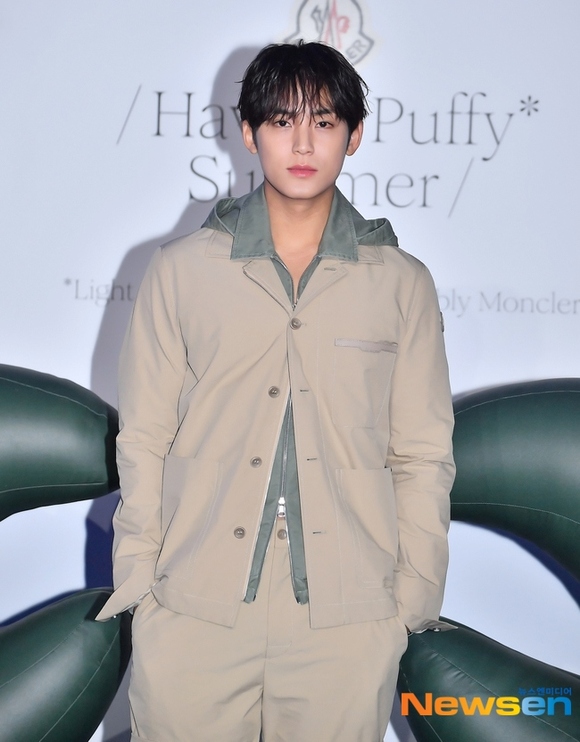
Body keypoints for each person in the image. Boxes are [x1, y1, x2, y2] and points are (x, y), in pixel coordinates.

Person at [97, 40, 455, 742]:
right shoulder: (180, 270)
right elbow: (143, 438)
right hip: (194, 607)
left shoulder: (401, 282)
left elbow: (421, 453)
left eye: (324, 121)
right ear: (248, 131)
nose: (302, 142)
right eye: (282, 120)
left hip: (348, 620)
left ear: (355, 135)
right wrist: (141, 582)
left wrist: (411, 599)